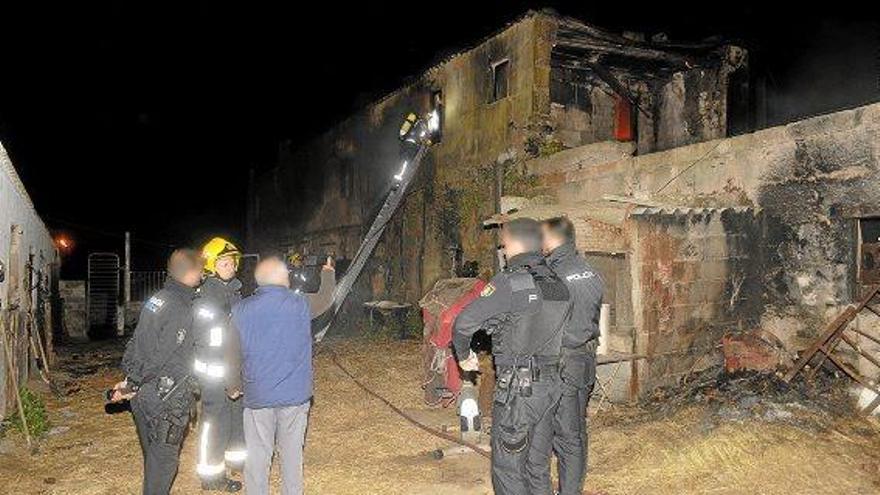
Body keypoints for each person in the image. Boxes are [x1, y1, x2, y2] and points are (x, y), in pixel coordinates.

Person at [452, 217, 572, 495]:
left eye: (504, 245)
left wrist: (463, 356)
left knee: (508, 470)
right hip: (551, 387)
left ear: (514, 244)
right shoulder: (559, 283)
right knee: (537, 467)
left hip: (519, 391)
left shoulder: (511, 282)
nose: (503, 251)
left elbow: (463, 323)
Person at [226, 256, 333, 495]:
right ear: (281, 278)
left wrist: (233, 385)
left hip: (257, 395)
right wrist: (327, 273)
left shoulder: (240, 310)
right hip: (294, 396)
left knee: (257, 456)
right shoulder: (299, 304)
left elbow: (231, 352)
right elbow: (326, 299)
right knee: (292, 455)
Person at [112, 249, 204, 495]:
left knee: (153, 458)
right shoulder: (179, 307)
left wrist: (130, 380)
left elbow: (138, 339)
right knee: (164, 462)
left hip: (143, 395)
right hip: (165, 397)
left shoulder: (157, 299)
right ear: (192, 273)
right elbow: (161, 354)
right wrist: (133, 382)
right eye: (201, 272)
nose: (203, 277)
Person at [529, 217, 605, 495]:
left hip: (559, 365)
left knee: (557, 435)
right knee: (575, 434)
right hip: (584, 363)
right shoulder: (591, 272)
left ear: (552, 239)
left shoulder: (551, 276)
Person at [192, 237, 245, 492]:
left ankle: (237, 462)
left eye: (232, 261)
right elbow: (212, 338)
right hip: (214, 373)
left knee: (236, 416)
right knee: (215, 422)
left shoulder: (233, 290)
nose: (230, 266)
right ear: (212, 265)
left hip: (232, 369)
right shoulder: (208, 296)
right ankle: (211, 475)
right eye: (224, 262)